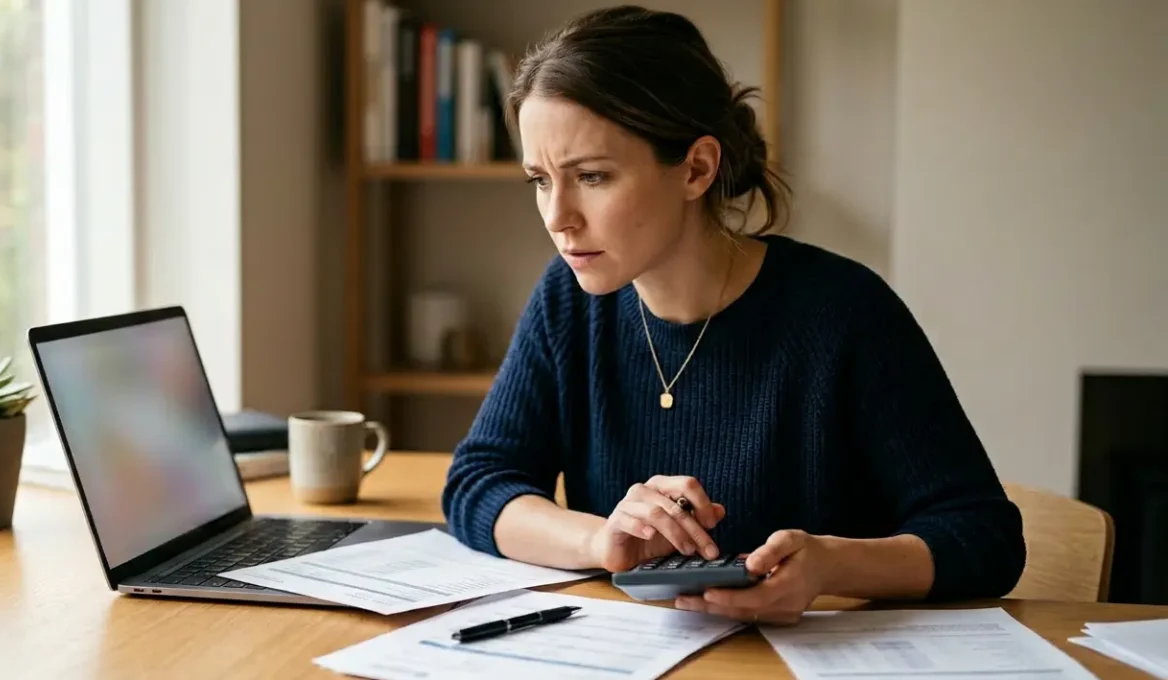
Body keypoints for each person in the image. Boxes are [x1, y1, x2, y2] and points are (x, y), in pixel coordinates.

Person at [439, 5, 1026, 624]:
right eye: (539, 179)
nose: (558, 216)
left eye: (591, 176)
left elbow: (983, 536)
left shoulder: (844, 312)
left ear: (696, 168)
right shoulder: (568, 300)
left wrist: (830, 566)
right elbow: (478, 482)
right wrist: (600, 541)